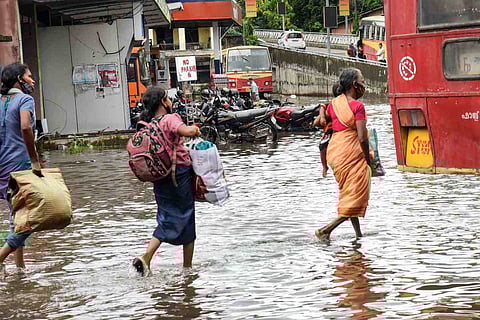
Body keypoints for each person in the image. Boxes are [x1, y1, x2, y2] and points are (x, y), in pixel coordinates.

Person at [132, 86, 201, 276]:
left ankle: (147, 257)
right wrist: (194, 129)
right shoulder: (170, 118)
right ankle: (187, 269)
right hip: (178, 174)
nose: (170, 102)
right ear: (163, 101)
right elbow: (185, 131)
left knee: (165, 216)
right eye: (168, 99)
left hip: (159, 177)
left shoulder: (149, 123)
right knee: (187, 217)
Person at [315, 68, 372, 241]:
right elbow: (362, 138)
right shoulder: (358, 106)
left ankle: (358, 236)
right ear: (355, 84)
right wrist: (368, 159)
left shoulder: (334, 104)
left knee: (350, 193)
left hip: (335, 154)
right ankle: (326, 230)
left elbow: (322, 117)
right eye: (361, 80)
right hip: (351, 153)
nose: (363, 84)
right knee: (357, 196)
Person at [0, 62, 42, 275]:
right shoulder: (25, 100)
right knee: (31, 217)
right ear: (19, 79)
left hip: (1, 167)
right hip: (19, 166)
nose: (32, 80)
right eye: (29, 76)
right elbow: (26, 127)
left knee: (16, 215)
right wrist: (35, 160)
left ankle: (19, 268)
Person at [313, 83, 340, 177]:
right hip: (329, 129)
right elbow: (322, 107)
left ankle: (326, 167)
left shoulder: (343, 104)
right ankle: (325, 166)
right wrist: (323, 117)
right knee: (322, 146)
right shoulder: (332, 104)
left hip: (337, 130)